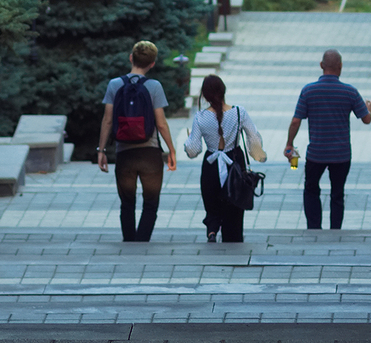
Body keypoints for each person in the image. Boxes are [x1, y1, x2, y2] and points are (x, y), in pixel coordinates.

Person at [97, 40, 177, 242]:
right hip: (149, 154)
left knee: (127, 203)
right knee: (151, 202)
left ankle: (129, 241)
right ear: (152, 63)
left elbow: (107, 120)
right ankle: (142, 242)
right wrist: (171, 150)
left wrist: (101, 150)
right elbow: (161, 124)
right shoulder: (154, 86)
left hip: (125, 153)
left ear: (131, 58)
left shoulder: (115, 85)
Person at [284, 49, 371, 229]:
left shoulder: (308, 91)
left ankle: (314, 227)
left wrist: (289, 144)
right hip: (341, 155)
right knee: (337, 193)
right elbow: (366, 120)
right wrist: (368, 108)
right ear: (340, 66)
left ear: (321, 65)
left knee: (311, 189)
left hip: (316, 153)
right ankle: (335, 230)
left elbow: (295, 121)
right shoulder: (350, 92)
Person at [183, 74, 265, 242]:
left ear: (204, 95)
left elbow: (193, 150)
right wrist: (259, 155)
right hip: (235, 161)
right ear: (224, 91)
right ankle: (233, 237)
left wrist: (188, 140)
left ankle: (212, 229)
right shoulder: (239, 112)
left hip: (211, 164)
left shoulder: (200, 117)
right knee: (235, 202)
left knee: (211, 201)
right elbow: (254, 138)